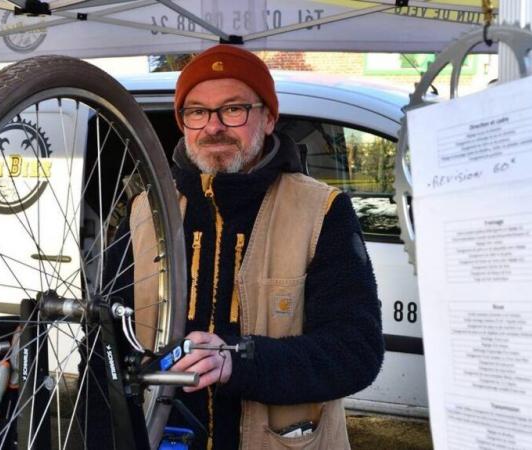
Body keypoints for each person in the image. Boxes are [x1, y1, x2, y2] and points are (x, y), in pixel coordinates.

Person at [85, 44, 384, 450]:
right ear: (183, 122)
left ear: (269, 117)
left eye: (233, 109)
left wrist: (238, 361)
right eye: (197, 112)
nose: (213, 127)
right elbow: (104, 343)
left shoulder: (322, 210)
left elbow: (355, 351)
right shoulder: (147, 210)